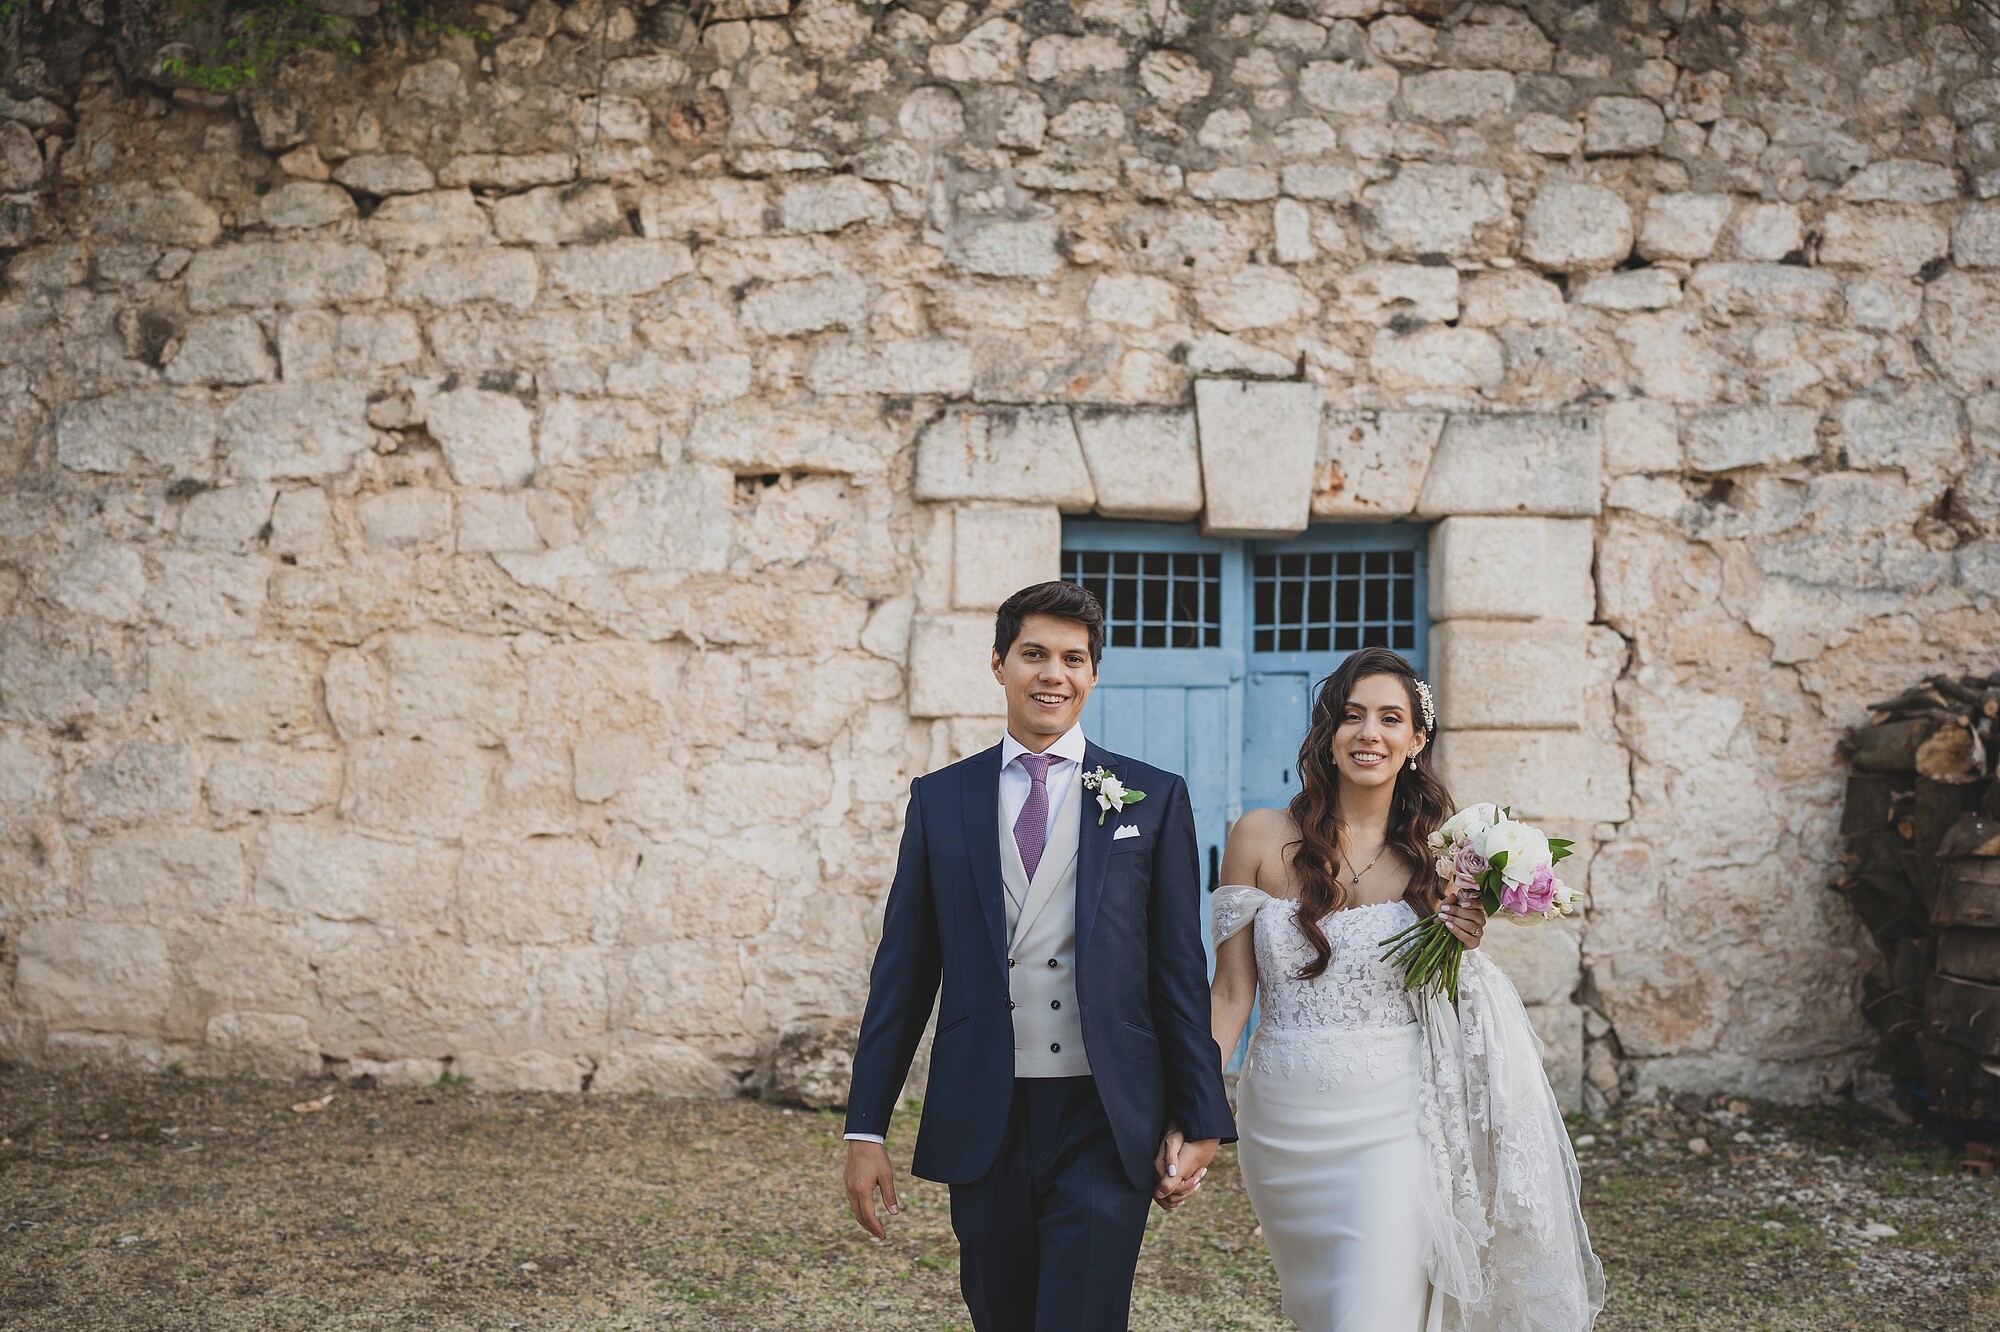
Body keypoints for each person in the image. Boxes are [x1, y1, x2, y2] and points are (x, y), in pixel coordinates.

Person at [1160, 646, 1602, 1332]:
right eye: (1352, 716)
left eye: (1390, 718)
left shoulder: (1446, 859)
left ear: (1416, 740)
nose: (1369, 733)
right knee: (1324, 1311)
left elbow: (1453, 1007)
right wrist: (1195, 1114)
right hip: (1283, 1124)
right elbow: (1229, 996)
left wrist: (1464, 947)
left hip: (1395, 1123)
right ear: (1327, 733)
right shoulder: (1257, 834)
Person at [841, 580, 1235, 1332]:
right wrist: (866, 1129)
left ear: (1093, 674)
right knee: (1001, 1316)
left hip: (1105, 1112)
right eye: (1034, 654)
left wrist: (1202, 1114)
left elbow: (1178, 973)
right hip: (985, 1109)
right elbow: (904, 973)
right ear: (999, 664)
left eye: (1073, 658)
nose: (1052, 673)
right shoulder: (940, 800)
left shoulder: (1152, 799)